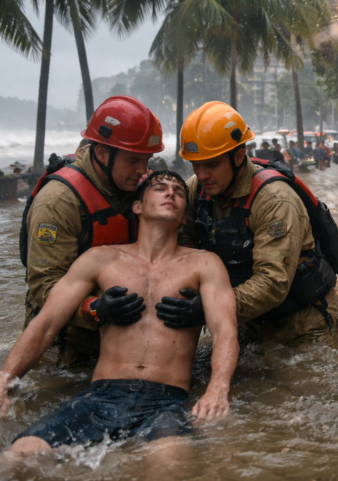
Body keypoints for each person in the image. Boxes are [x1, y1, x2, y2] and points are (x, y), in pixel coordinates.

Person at [1, 171, 239, 456]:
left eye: (178, 191)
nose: (171, 193)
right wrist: (5, 379)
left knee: (172, 463)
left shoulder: (205, 263)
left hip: (166, 401)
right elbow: (46, 323)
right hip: (100, 396)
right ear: (137, 206)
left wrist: (217, 389)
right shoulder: (100, 259)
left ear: (185, 214)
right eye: (160, 188)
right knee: (21, 455)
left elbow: (225, 331)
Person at [174, 102, 338, 350]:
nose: (202, 175)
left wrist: (208, 306)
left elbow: (272, 281)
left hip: (305, 331)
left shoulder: (275, 201)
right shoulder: (196, 190)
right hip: (248, 324)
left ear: (238, 156)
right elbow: (179, 245)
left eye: (211, 164)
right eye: (195, 164)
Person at [20, 96, 177, 366]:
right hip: (66, 342)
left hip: (121, 338)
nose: (142, 171)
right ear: (102, 153)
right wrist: (95, 308)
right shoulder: (58, 202)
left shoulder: (140, 187)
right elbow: (44, 285)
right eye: (132, 161)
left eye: (146, 160)